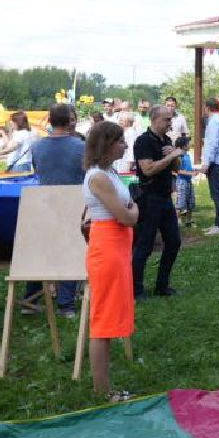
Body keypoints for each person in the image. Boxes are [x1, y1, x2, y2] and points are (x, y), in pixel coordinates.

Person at [82, 120, 138, 400]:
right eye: (120, 141)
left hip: (117, 247)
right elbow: (126, 216)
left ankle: (103, 387)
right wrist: (135, 210)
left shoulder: (108, 172)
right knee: (102, 321)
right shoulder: (99, 177)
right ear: (106, 144)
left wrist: (130, 211)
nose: (125, 145)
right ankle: (102, 389)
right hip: (108, 248)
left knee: (107, 317)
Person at [24, 103, 87, 316]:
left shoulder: (37, 146)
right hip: (72, 203)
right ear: (70, 121)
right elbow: (86, 173)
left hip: (44, 202)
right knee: (71, 252)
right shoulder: (80, 146)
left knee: (42, 251)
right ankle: (65, 304)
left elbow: (37, 170)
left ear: (50, 121)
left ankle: (30, 301)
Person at [131, 105, 183, 297]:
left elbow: (175, 167)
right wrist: (170, 156)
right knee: (145, 244)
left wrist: (174, 155)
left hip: (165, 197)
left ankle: (162, 285)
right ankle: (136, 289)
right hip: (149, 198)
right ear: (154, 119)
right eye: (166, 119)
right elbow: (148, 170)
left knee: (174, 241)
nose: (170, 123)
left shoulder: (166, 140)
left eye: (171, 119)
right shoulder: (143, 141)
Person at [201, 98, 219, 236]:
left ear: (207, 108)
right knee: (216, 193)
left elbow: (212, 144)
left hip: (216, 162)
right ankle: (218, 223)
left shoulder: (213, 122)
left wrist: (207, 163)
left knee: (217, 194)